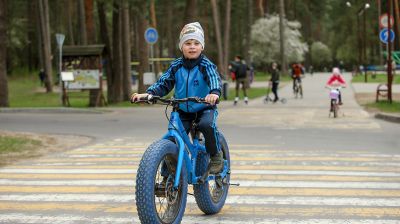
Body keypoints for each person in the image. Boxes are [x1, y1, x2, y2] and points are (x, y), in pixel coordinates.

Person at [131, 22, 223, 174]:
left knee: (207, 125)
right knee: (172, 138)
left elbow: (214, 79)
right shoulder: (176, 66)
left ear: (202, 46)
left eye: (196, 43)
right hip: (182, 109)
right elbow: (164, 83)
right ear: (181, 46)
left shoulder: (206, 65)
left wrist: (214, 93)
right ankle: (168, 177)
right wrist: (149, 94)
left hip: (204, 107)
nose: (192, 46)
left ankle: (216, 156)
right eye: (187, 43)